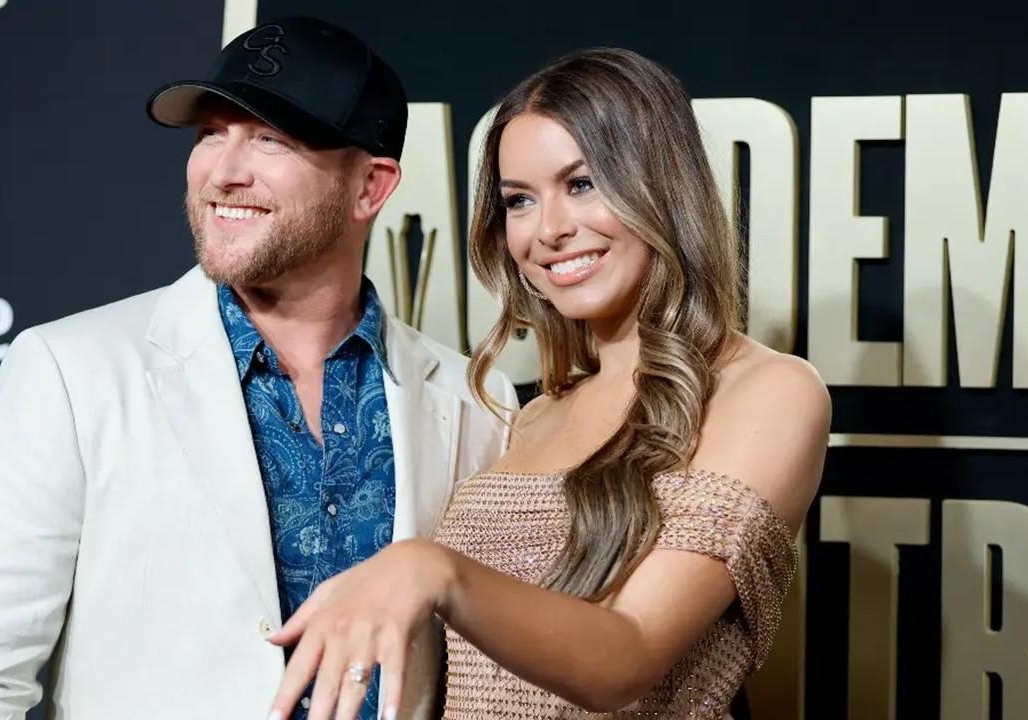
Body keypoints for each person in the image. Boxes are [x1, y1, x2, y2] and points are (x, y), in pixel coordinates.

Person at [0, 17, 515, 720]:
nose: (224, 171)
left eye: (269, 138)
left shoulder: (480, 403)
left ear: (371, 188)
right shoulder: (72, 372)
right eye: (211, 134)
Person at [264, 48, 830, 720]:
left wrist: (433, 570)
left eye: (583, 183)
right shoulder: (527, 417)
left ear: (664, 183)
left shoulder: (771, 391)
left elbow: (629, 655)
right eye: (520, 201)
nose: (550, 230)